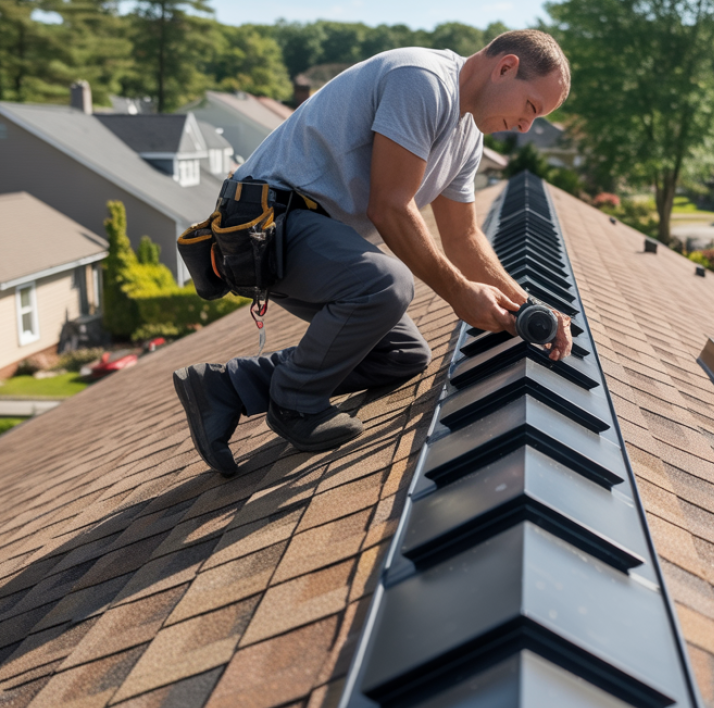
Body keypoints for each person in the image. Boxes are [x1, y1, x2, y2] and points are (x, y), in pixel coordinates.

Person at [173, 30, 573, 476]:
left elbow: (463, 238)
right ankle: (293, 403)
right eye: (531, 108)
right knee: (387, 282)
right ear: (505, 67)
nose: (525, 128)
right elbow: (388, 207)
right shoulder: (422, 81)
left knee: (402, 355)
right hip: (265, 223)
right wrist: (460, 294)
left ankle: (225, 388)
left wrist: (529, 308)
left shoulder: (467, 138)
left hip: (307, 235)